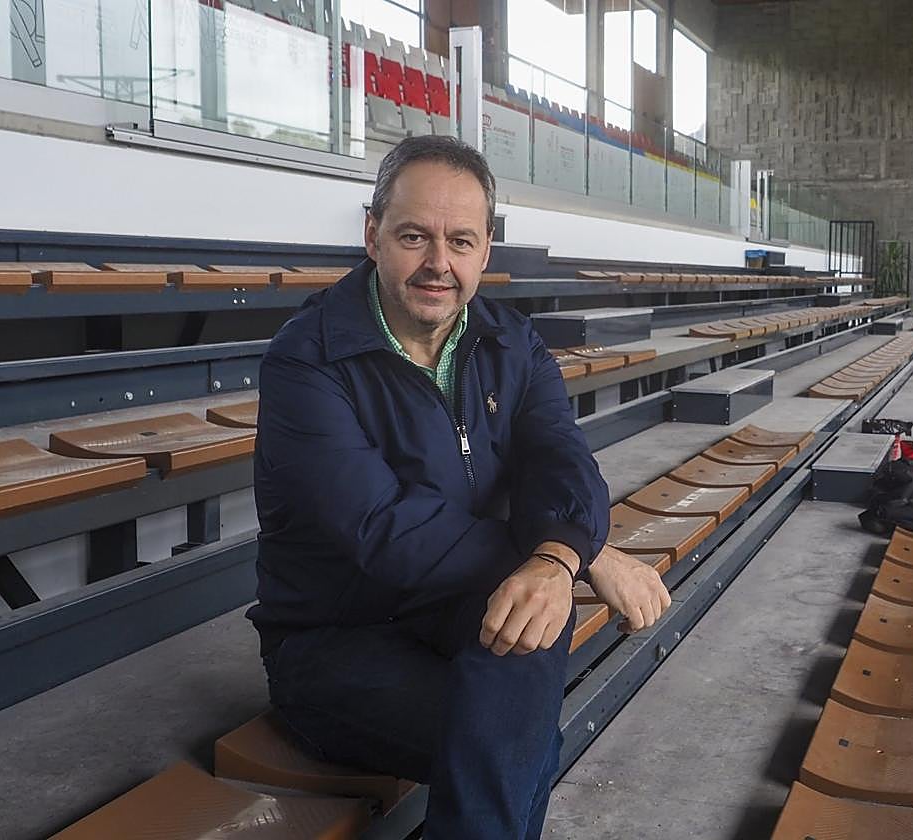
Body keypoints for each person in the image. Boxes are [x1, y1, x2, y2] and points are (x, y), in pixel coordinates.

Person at [250, 135, 670, 839]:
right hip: (335, 642)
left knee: (535, 625)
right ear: (372, 237)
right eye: (414, 236)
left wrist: (557, 556)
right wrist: (580, 556)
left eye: (460, 240)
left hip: (460, 612)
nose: (438, 263)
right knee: (516, 741)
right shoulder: (308, 360)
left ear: (486, 251)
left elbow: (560, 459)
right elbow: (382, 529)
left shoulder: (512, 343)